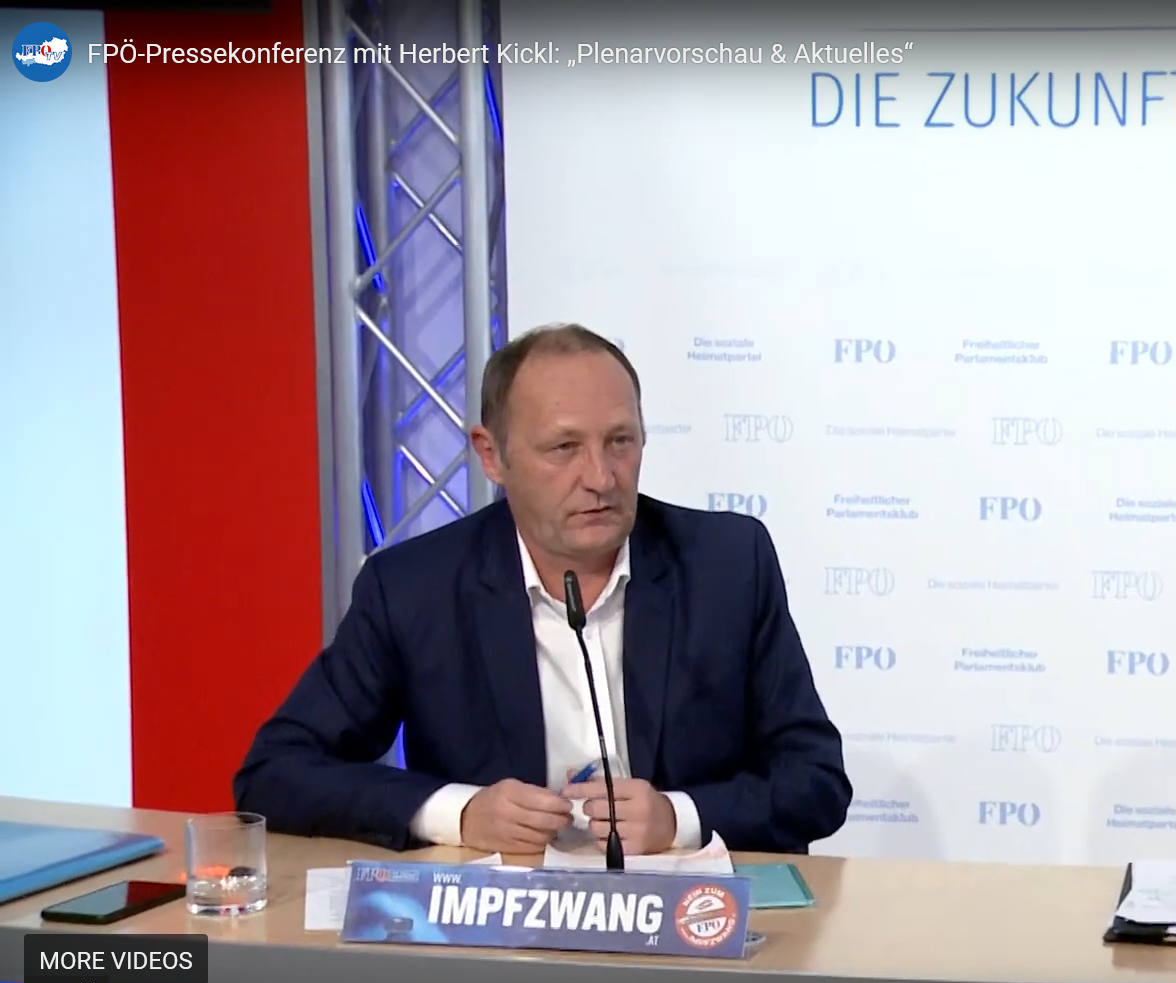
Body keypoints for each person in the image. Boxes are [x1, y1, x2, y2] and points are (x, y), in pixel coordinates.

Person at [234, 323, 851, 855]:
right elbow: (276, 772)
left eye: (620, 441)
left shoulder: (727, 564)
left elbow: (815, 780)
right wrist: (460, 813)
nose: (601, 477)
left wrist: (678, 818)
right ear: (491, 456)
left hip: (690, 919)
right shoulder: (415, 587)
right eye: (564, 448)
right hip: (505, 929)